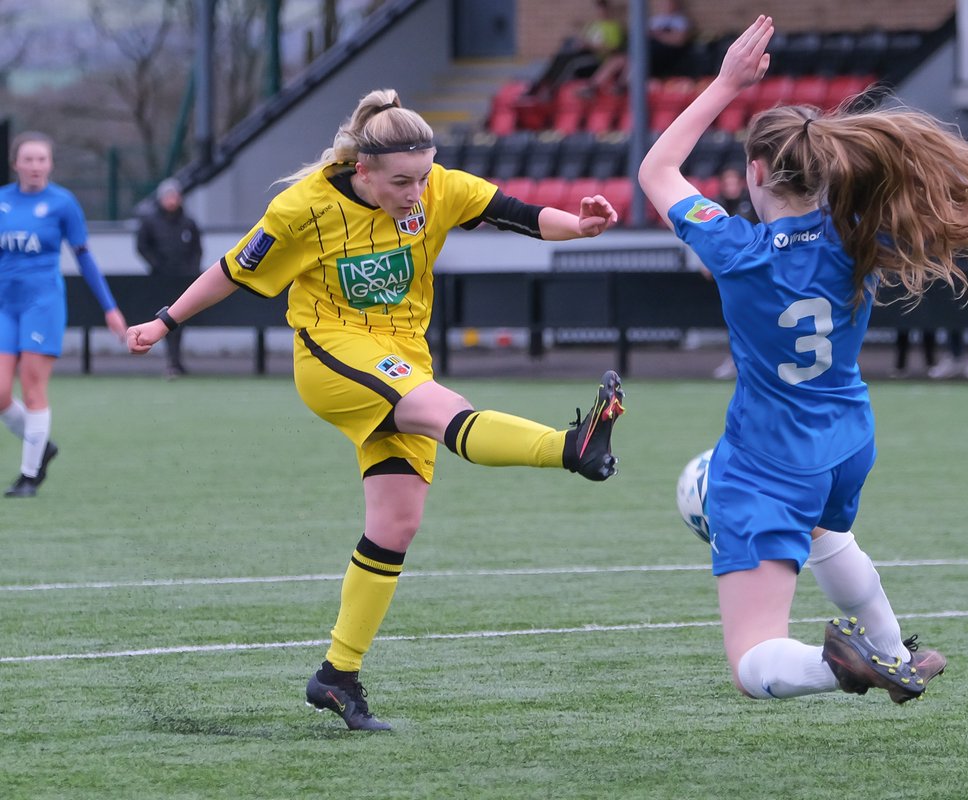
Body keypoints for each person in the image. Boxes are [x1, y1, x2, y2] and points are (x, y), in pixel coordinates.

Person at [125, 89, 624, 731]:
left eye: (422, 176)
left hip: (403, 357)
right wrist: (164, 321)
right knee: (448, 411)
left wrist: (579, 226)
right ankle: (571, 447)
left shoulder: (436, 187)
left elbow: (519, 214)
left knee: (397, 522)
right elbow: (231, 268)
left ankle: (336, 675)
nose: (416, 191)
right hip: (332, 356)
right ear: (362, 170)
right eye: (400, 181)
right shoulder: (302, 208)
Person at [638, 15, 968, 702]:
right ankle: (893, 651)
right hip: (847, 438)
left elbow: (657, 169)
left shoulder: (735, 248)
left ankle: (845, 666)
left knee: (751, 661)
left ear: (756, 172)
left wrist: (727, 82)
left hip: (767, 455)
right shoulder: (855, 240)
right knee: (826, 531)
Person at [0, 131, 127, 498]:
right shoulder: (3, 201)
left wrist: (110, 308)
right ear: (15, 164)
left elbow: (84, 257)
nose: (35, 166)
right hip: (5, 306)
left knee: (33, 384)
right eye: (29, 159)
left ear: (50, 164)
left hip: (43, 304)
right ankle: (42, 445)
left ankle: (29, 475)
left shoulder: (62, 203)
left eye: (42, 159)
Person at [136, 178, 203, 378]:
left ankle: (176, 360)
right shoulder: (150, 222)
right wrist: (156, 264)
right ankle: (172, 361)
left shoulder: (188, 223)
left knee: (181, 319)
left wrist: (192, 268)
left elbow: (197, 248)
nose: (172, 200)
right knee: (166, 318)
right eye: (168, 196)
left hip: (183, 279)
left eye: (175, 195)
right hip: (161, 279)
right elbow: (142, 246)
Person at [710, 166, 757, 379]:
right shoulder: (715, 204)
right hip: (725, 271)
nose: (730, 187)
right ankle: (736, 360)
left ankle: (746, 361)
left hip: (749, 270)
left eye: (733, 181)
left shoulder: (751, 204)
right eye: (726, 182)